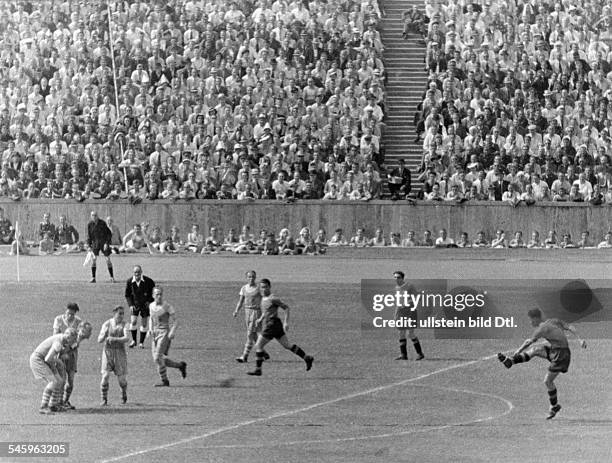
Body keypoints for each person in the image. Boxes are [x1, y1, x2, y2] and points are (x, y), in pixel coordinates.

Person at [497, 308, 587, 419]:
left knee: (548, 381)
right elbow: (570, 327)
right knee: (536, 350)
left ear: (536, 318)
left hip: (561, 355)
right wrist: (580, 339)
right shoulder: (553, 321)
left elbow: (528, 342)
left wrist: (518, 351)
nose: (530, 323)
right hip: (557, 351)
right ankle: (511, 361)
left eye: (531, 320)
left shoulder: (541, 329)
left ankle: (554, 406)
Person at [247, 279, 314, 376]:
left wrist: (286, 322)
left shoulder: (273, 298)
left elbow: (286, 308)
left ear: (269, 287)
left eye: (265, 287)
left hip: (272, 324)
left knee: (259, 345)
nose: (264, 289)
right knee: (287, 345)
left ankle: (258, 369)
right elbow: (266, 311)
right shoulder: (263, 298)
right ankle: (307, 358)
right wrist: (261, 319)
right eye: (262, 287)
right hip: (275, 325)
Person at [30, 328, 78, 414]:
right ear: (69, 337)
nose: (73, 342)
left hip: (44, 360)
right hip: (38, 359)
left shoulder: (61, 339)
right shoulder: (58, 343)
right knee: (53, 382)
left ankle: (53, 406)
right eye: (73, 340)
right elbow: (48, 359)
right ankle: (43, 407)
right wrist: (59, 361)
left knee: (59, 381)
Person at [148, 287, 187, 386]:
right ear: (153, 296)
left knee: (157, 358)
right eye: (157, 294)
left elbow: (176, 321)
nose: (159, 296)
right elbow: (151, 319)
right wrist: (150, 329)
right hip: (155, 334)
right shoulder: (151, 306)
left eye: (160, 294)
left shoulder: (167, 306)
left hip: (164, 333)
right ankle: (180, 366)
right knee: (158, 359)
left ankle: (164, 381)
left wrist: (172, 331)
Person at [52, 303, 85, 409]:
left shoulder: (79, 322)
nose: (70, 316)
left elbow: (79, 339)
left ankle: (66, 401)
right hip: (60, 353)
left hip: (72, 354)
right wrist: (61, 350)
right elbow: (55, 335)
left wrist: (71, 347)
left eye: (72, 314)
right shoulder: (58, 320)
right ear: (65, 311)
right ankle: (59, 401)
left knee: (70, 381)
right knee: (62, 379)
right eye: (68, 313)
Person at [233, 270, 270, 363]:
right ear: (246, 278)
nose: (251, 279)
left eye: (253, 277)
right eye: (249, 277)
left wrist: (264, 313)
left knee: (250, 334)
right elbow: (241, 301)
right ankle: (264, 353)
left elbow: (265, 300)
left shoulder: (258, 289)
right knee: (253, 336)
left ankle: (244, 356)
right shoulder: (244, 288)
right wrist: (236, 310)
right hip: (247, 312)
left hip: (255, 312)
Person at [98, 306, 130, 405]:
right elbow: (99, 340)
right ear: (114, 313)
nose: (121, 316)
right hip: (108, 352)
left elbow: (127, 338)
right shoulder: (107, 324)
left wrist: (115, 339)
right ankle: (104, 399)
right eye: (119, 313)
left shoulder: (125, 325)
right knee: (105, 376)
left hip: (119, 353)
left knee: (121, 380)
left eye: (122, 313)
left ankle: (123, 393)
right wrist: (104, 336)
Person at [393, 271, 425, 360]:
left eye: (398, 277)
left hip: (410, 312)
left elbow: (417, 297)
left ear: (403, 278)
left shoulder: (409, 286)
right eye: (395, 277)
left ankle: (420, 353)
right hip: (400, 312)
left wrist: (408, 304)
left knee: (411, 333)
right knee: (401, 333)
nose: (396, 279)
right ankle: (403, 355)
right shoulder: (397, 288)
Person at [125, 265, 156, 348]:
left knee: (144, 323)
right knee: (133, 321)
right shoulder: (129, 281)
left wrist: (150, 301)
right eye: (135, 272)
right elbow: (127, 295)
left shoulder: (148, 281)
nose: (137, 273)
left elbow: (154, 292)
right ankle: (134, 341)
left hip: (145, 305)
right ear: (133, 273)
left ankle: (141, 343)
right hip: (135, 305)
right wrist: (130, 305)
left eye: (138, 272)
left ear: (141, 272)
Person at [86, 211, 115, 283]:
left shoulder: (102, 223)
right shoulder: (90, 224)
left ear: (98, 216)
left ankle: (112, 277)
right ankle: (93, 278)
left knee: (108, 260)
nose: (94, 217)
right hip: (95, 243)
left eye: (95, 215)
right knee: (94, 259)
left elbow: (109, 234)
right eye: (92, 215)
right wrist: (89, 245)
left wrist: (106, 243)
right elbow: (89, 236)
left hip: (103, 242)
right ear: (91, 216)